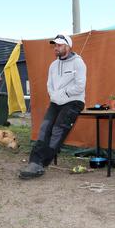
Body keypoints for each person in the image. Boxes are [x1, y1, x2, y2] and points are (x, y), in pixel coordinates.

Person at [19, 34, 86, 179]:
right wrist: (54, 95)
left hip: (74, 101)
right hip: (56, 101)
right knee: (44, 128)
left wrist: (63, 93)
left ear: (68, 46)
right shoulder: (53, 65)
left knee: (57, 131)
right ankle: (34, 162)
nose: (56, 48)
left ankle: (41, 164)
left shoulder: (78, 62)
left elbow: (80, 86)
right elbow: (49, 84)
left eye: (59, 45)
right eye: (55, 45)